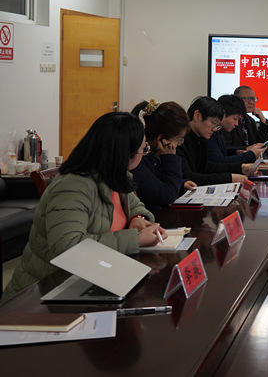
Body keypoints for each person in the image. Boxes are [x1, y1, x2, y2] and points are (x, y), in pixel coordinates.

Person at [2, 112, 165, 301]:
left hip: (95, 277)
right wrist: (135, 239)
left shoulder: (116, 175)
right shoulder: (73, 186)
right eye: (143, 149)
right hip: (46, 293)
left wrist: (138, 219)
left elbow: (136, 206)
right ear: (124, 153)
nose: (145, 153)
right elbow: (68, 247)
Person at [130, 99, 196, 212]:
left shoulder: (154, 154)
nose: (179, 144)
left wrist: (181, 184)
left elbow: (158, 180)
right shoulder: (138, 159)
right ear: (161, 139)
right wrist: (170, 158)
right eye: (178, 140)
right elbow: (166, 195)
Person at [177, 96, 249, 186]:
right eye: (213, 123)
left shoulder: (200, 138)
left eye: (217, 125)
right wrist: (229, 178)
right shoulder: (179, 140)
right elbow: (188, 177)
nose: (215, 129)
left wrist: (240, 167)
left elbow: (207, 167)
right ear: (197, 116)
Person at [208, 95, 265, 164]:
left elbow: (222, 151)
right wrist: (251, 154)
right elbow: (219, 162)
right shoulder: (210, 132)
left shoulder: (219, 131)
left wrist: (237, 151)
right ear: (223, 113)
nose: (237, 124)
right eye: (235, 119)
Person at [224, 85, 268, 153]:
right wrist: (246, 149)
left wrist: (263, 120)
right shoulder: (229, 120)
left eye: (253, 99)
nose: (251, 102)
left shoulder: (250, 120)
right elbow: (225, 148)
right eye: (247, 99)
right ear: (237, 100)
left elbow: (262, 144)